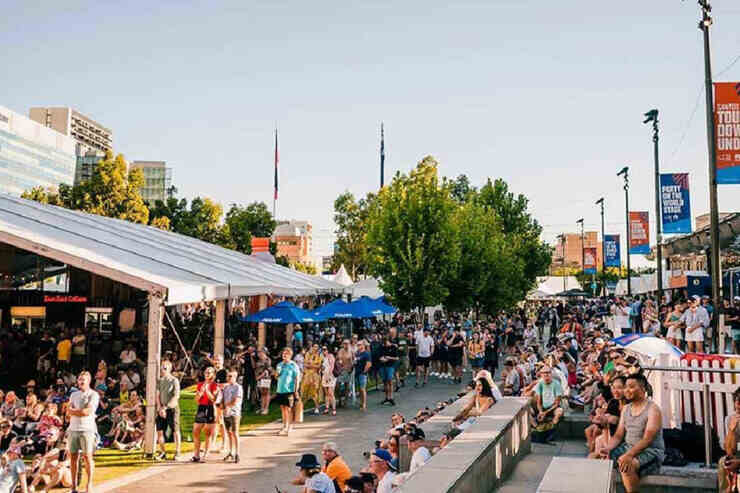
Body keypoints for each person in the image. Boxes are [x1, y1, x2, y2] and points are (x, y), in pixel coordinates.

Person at [598, 374, 665, 493]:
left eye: (631, 387)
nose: (627, 390)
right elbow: (619, 435)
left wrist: (629, 455)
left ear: (643, 389)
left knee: (626, 466)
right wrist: (607, 448)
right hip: (628, 447)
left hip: (650, 451)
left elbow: (647, 439)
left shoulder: (653, 409)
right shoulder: (626, 408)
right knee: (597, 458)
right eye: (626, 387)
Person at [67, 371, 99, 493]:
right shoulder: (73, 395)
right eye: (79, 379)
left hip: (87, 430)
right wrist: (77, 411)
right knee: (73, 458)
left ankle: (89, 484)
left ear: (88, 381)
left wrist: (74, 411)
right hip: (73, 429)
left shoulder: (94, 394)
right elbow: (67, 410)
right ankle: (74, 486)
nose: (80, 381)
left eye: (83, 380)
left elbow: (87, 412)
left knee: (87, 457)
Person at [191, 366, 219, 462]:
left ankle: (206, 454)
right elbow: (196, 399)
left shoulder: (215, 385)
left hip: (210, 407)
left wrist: (207, 390)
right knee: (196, 430)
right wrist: (200, 393)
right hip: (201, 407)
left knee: (208, 433)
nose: (207, 373)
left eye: (209, 372)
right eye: (206, 372)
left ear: (213, 375)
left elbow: (213, 399)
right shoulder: (200, 384)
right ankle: (196, 454)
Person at [155, 360, 181, 461]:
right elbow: (157, 395)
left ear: (169, 369)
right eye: (162, 367)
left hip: (172, 409)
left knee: (175, 430)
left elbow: (176, 396)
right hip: (161, 409)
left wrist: (165, 407)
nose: (162, 370)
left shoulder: (174, 380)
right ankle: (163, 452)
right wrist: (159, 407)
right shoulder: (160, 381)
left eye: (165, 368)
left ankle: (177, 451)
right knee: (160, 431)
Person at [276, 347, 301, 436]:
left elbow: (297, 378)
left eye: (286, 354)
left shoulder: (293, 365)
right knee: (283, 409)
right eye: (283, 354)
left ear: (290, 355)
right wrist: (277, 373)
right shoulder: (279, 365)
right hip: (280, 389)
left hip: (289, 390)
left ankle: (290, 426)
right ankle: (284, 426)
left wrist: (296, 390)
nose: (284, 355)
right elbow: (276, 376)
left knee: (289, 409)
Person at [221, 369, 243, 463]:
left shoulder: (238, 387)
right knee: (229, 433)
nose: (228, 378)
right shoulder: (226, 388)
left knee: (235, 432)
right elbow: (223, 398)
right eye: (228, 376)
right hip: (226, 413)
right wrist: (222, 406)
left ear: (235, 377)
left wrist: (227, 406)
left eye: (231, 376)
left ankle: (237, 452)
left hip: (234, 413)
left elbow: (236, 400)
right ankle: (231, 451)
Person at [301, 344, 323, 415]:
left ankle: (317, 408)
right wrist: (314, 365)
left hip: (315, 376)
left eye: (317, 347)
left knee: (315, 391)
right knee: (304, 391)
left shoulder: (319, 355)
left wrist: (311, 365)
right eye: (314, 347)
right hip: (307, 375)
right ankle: (301, 408)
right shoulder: (308, 354)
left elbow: (319, 366)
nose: (315, 348)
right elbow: (305, 364)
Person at [379, 337, 399, 406]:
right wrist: (381, 359)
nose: (385, 344)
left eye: (386, 343)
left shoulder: (393, 347)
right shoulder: (382, 347)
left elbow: (396, 358)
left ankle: (391, 397)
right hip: (382, 365)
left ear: (389, 341)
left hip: (390, 366)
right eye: (384, 343)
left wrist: (389, 358)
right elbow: (379, 356)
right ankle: (387, 397)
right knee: (384, 382)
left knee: (390, 381)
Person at [254, 348, 273, 415]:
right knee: (262, 393)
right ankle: (262, 407)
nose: (259, 354)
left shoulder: (267, 360)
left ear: (264, 352)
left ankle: (266, 408)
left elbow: (267, 370)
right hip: (259, 379)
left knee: (266, 393)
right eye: (259, 352)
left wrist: (259, 376)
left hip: (265, 378)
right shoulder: (259, 360)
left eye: (261, 352)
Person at [354, 341, 372, 411]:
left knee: (362, 389)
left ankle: (364, 404)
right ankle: (361, 403)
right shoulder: (357, 353)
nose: (358, 346)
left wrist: (364, 372)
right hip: (357, 373)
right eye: (357, 344)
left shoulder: (366, 354)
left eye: (360, 345)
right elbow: (355, 362)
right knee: (359, 389)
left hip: (362, 374)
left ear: (363, 345)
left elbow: (369, 364)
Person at [321, 346, 337, 416]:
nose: (324, 351)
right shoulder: (322, 357)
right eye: (323, 350)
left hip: (330, 376)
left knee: (331, 393)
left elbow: (332, 366)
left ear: (328, 350)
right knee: (326, 393)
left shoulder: (330, 356)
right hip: (324, 375)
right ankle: (327, 408)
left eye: (325, 349)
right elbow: (322, 367)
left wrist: (328, 376)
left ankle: (334, 409)